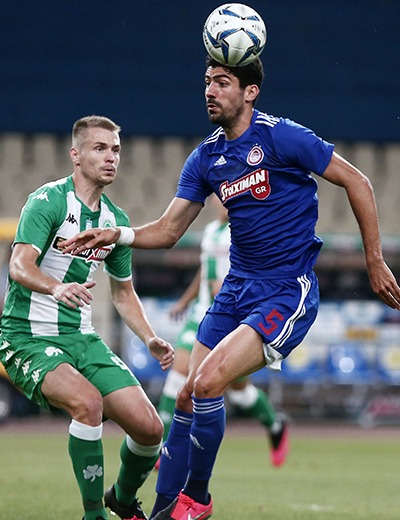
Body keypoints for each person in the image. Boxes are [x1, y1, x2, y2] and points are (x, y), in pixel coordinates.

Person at [60, 56, 400, 520]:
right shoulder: (205, 158)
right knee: (185, 394)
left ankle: (198, 499)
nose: (210, 91)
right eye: (207, 82)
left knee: (207, 383)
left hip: (285, 291)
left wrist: (374, 260)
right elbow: (169, 230)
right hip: (236, 290)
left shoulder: (282, 136)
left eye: (222, 82)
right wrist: (117, 234)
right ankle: (163, 508)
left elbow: (357, 181)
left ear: (250, 92)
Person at [0, 115, 175, 520]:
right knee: (88, 403)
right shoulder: (48, 201)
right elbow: (19, 266)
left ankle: (122, 499)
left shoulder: (116, 222)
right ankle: (93, 514)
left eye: (116, 150)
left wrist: (149, 337)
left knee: (150, 429)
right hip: (27, 336)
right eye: (100, 148)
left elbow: (123, 292)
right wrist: (55, 288)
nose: (111, 157)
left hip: (82, 338)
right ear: (75, 155)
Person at [157, 194, 288, 469]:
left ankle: (275, 425)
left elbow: (255, 270)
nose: (223, 201)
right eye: (217, 196)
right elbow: (205, 271)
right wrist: (185, 300)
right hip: (201, 316)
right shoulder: (210, 231)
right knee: (178, 377)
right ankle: (165, 449)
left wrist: (229, 288)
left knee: (240, 393)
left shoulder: (246, 229)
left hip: (233, 318)